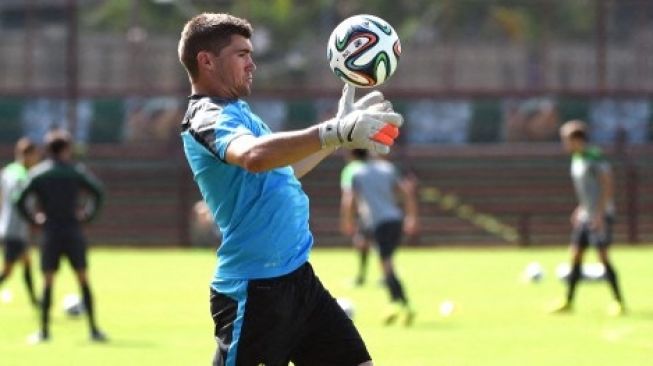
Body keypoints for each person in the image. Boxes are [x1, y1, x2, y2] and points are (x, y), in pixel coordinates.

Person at [178, 13, 402, 366]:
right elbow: (253, 156)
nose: (252, 64)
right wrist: (332, 131)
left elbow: (281, 170)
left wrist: (333, 140)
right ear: (206, 61)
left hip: (298, 280)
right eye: (241, 55)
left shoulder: (237, 111)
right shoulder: (206, 116)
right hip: (254, 291)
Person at [16, 129, 107, 343]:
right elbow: (98, 192)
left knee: (47, 281)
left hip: (50, 232)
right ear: (66, 149)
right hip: (73, 231)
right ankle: (94, 330)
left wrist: (33, 220)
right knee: (83, 279)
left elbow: (19, 199)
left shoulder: (39, 174)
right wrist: (88, 215)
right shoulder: (76, 172)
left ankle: (44, 331)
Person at [551, 120, 625, 316]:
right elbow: (588, 190)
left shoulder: (594, 157)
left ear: (577, 139)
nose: (564, 144)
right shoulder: (577, 159)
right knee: (575, 255)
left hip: (600, 216)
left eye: (566, 140)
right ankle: (568, 301)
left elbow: (607, 185)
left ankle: (619, 302)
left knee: (603, 257)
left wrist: (599, 213)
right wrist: (581, 208)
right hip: (587, 215)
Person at [341, 152, 419, 326]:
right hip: (395, 219)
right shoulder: (387, 168)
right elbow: (406, 191)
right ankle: (395, 303)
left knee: (386, 264)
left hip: (379, 222)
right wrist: (411, 217)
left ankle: (405, 304)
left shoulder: (357, 173)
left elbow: (350, 200)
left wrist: (348, 221)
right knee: (385, 263)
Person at [0, 137, 41, 306]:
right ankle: (35, 301)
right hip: (14, 229)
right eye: (35, 156)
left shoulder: (8, 171)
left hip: (10, 225)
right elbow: (20, 200)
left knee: (27, 262)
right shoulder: (22, 175)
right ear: (28, 155)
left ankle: (34, 301)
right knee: (8, 271)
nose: (36, 160)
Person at [340, 149, 373, 286]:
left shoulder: (351, 170)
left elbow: (349, 196)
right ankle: (385, 275)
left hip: (363, 213)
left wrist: (347, 219)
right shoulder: (373, 167)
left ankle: (361, 276)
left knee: (361, 243)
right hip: (378, 212)